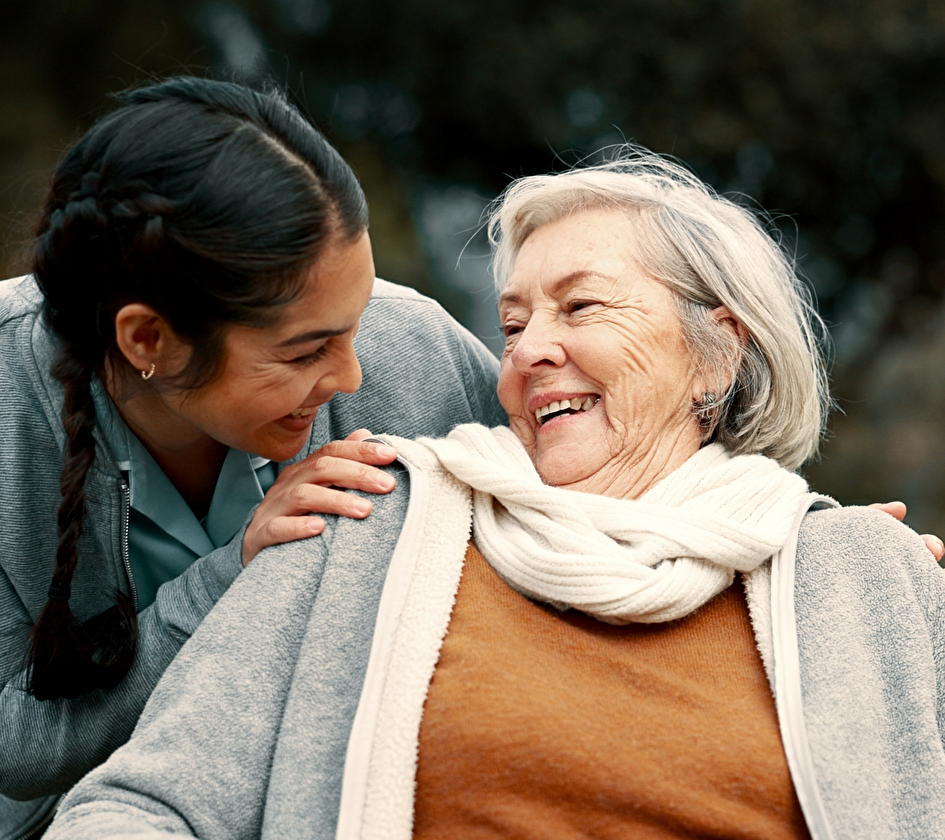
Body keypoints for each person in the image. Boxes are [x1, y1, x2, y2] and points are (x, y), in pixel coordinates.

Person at [45, 150, 945, 840]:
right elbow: (141, 808)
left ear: (718, 353)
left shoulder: (858, 576)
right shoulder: (367, 520)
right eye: (511, 324)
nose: (525, 350)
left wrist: (870, 574)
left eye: (580, 308)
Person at [0, 77, 506, 838]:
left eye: (356, 324)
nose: (350, 378)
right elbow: (15, 741)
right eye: (304, 351)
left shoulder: (419, 354)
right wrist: (234, 572)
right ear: (147, 340)